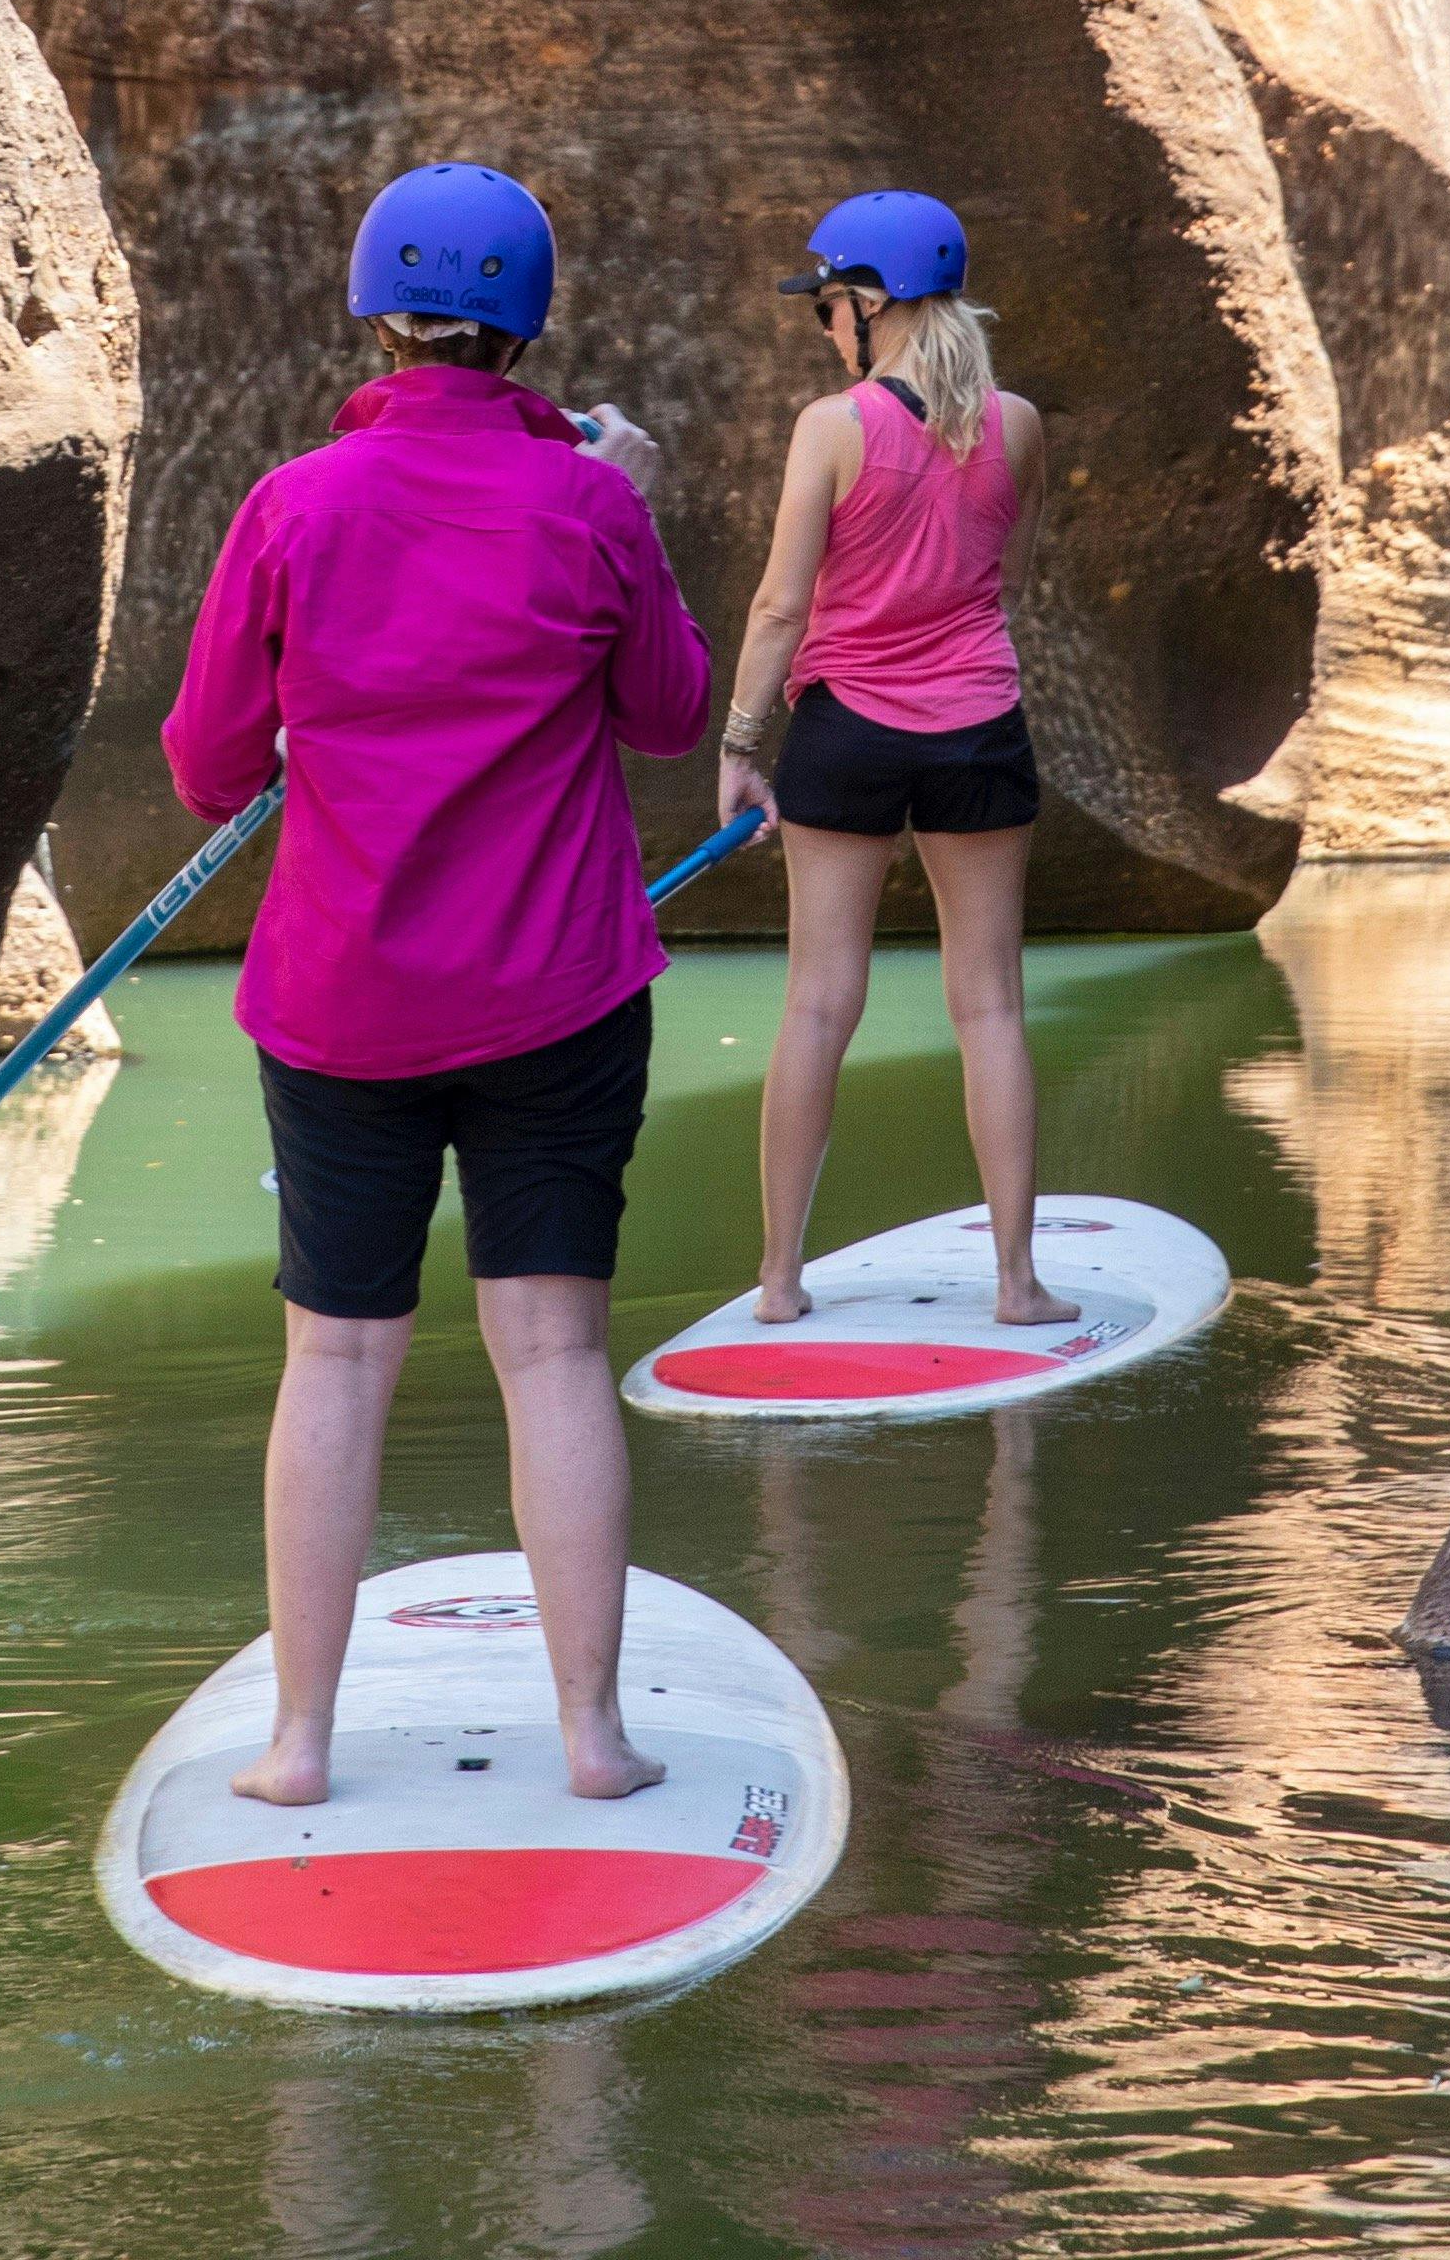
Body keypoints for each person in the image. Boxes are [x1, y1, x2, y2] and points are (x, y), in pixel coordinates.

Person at [165, 158, 710, 1809]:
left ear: (377, 309)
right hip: (559, 991)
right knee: (553, 1350)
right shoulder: (591, 505)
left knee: (335, 1358)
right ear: (526, 330)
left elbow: (204, 770)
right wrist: (630, 501)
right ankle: (596, 1740)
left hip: (342, 1008)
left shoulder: (294, 505)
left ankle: (298, 1749)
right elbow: (672, 714)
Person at [710, 188, 1055, 1330]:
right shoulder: (1016, 424)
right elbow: (1009, 560)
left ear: (868, 304)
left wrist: (743, 744)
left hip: (846, 729)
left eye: (825, 305)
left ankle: (777, 1282)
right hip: (977, 729)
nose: (822, 324)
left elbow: (777, 606)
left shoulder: (834, 428)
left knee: (817, 1008)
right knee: (992, 1008)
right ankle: (1016, 1284)